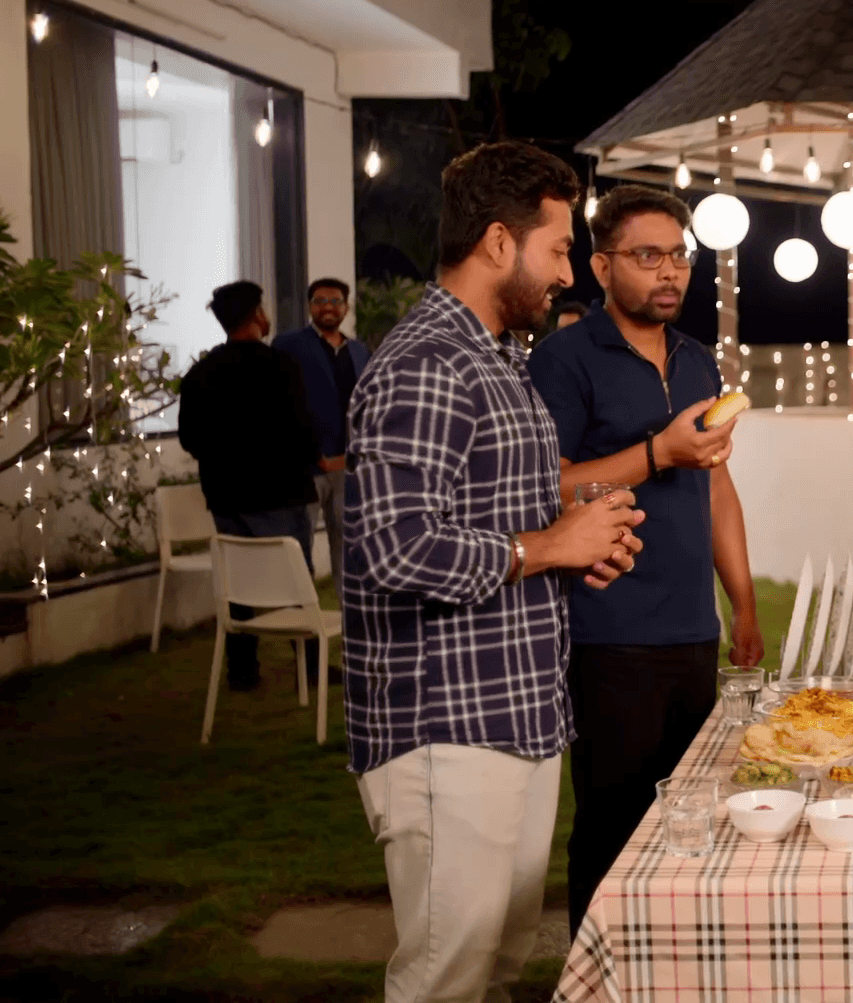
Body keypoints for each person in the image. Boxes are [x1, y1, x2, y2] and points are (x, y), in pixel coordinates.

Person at [343, 141, 645, 1003]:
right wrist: (550, 548)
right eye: (557, 250)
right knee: (446, 976)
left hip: (515, 713)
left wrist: (584, 538)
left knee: (498, 967)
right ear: (499, 243)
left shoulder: (497, 359)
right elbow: (394, 546)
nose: (566, 275)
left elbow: (493, 514)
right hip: (446, 728)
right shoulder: (428, 363)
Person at [528, 183, 763, 935]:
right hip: (608, 629)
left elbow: (717, 484)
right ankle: (593, 973)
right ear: (602, 267)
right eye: (647, 256)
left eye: (680, 257)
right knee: (612, 826)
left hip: (692, 629)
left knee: (694, 821)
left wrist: (744, 605)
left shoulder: (697, 361)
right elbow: (550, 485)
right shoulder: (564, 359)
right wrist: (660, 451)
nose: (669, 272)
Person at [177, 280, 320, 691]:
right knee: (297, 582)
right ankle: (308, 667)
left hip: (226, 497)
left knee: (238, 582)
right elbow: (303, 431)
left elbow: (190, 438)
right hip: (282, 494)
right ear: (257, 314)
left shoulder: (201, 373)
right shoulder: (281, 367)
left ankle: (242, 670)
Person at [273, 278, 370, 601]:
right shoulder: (288, 346)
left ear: (346, 307)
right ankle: (299, 610)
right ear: (309, 306)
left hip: (348, 466)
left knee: (347, 540)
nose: (328, 307)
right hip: (306, 467)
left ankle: (349, 612)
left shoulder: (358, 351)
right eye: (320, 300)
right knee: (299, 539)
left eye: (335, 301)